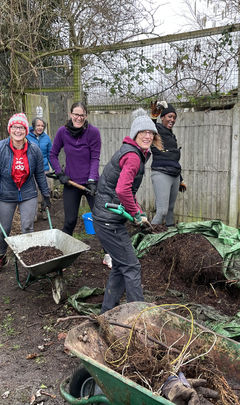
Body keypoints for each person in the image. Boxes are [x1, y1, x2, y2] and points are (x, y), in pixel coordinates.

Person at [92, 109, 163, 313]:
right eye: (143, 132)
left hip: (105, 218)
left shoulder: (132, 152)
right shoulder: (133, 156)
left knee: (121, 266)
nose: (148, 136)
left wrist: (137, 210)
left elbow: (127, 190)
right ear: (135, 134)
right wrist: (136, 214)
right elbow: (122, 190)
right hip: (109, 220)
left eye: (151, 132)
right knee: (131, 267)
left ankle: (107, 312)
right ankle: (138, 316)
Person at [0, 113, 51, 275]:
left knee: (27, 227)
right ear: (9, 129)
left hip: (28, 193)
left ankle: (29, 261)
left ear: (26, 130)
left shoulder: (34, 150)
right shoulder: (0, 148)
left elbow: (40, 175)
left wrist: (46, 196)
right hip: (6, 194)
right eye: (14, 127)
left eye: (21, 127)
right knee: (4, 229)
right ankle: (0, 256)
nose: (18, 130)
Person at [49, 102, 101, 235]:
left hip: (91, 184)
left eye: (82, 115)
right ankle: (65, 253)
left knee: (101, 220)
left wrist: (92, 180)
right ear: (70, 114)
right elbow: (53, 154)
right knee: (70, 221)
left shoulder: (93, 133)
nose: (79, 118)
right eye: (76, 114)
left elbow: (95, 158)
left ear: (86, 116)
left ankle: (108, 253)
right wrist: (60, 173)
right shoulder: (62, 132)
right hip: (71, 182)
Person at [149, 101, 187, 227]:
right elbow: (149, 128)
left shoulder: (172, 136)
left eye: (174, 117)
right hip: (161, 173)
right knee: (162, 211)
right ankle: (146, 239)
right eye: (169, 116)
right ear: (162, 117)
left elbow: (174, 159)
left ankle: (171, 236)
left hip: (174, 175)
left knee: (170, 210)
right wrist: (153, 117)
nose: (172, 119)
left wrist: (180, 179)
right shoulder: (157, 130)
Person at [27, 117, 53, 221]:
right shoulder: (27, 137)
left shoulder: (46, 138)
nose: (40, 128)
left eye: (42, 126)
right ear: (33, 126)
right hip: (31, 170)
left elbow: (51, 155)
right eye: (38, 125)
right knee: (34, 192)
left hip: (44, 169)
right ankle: (34, 214)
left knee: (46, 191)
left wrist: (56, 169)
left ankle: (45, 211)